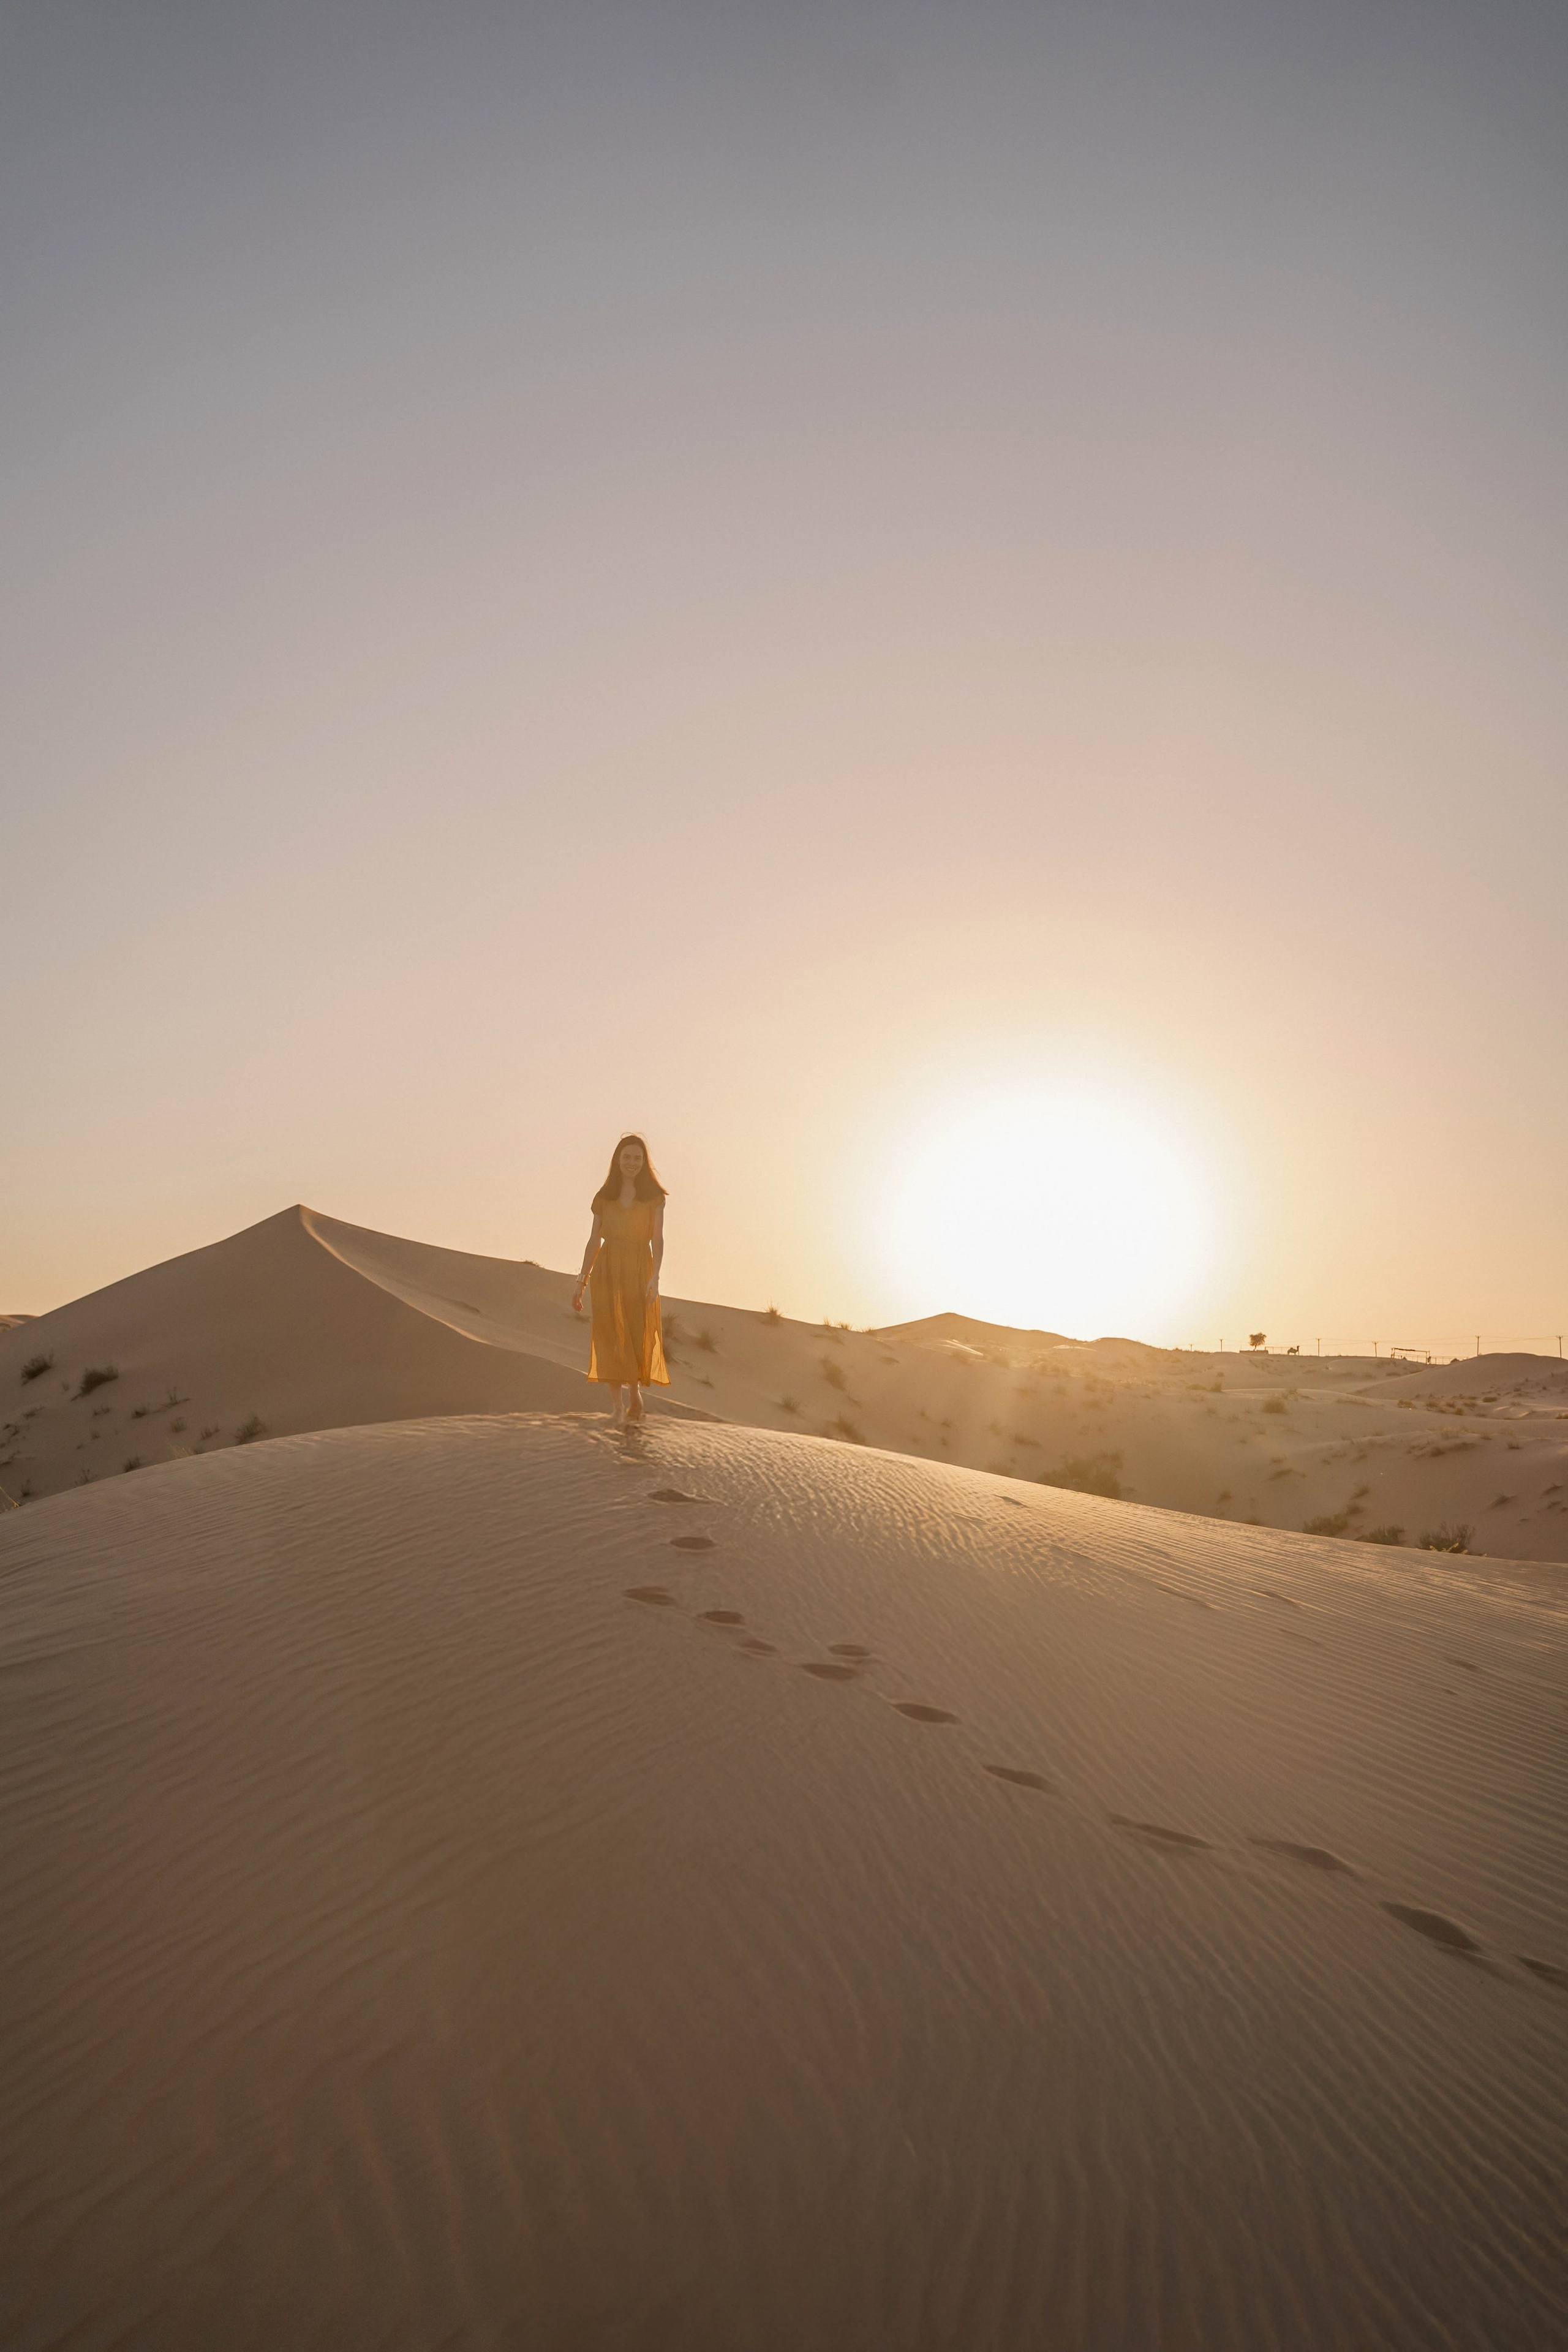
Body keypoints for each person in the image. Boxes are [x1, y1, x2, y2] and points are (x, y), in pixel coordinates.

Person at [573, 1134, 669, 1424]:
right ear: (617, 1159)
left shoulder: (655, 1197)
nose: (632, 1163)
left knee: (636, 1330)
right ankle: (617, 1406)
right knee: (610, 1334)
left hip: (640, 1267)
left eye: (638, 1158)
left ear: (644, 1162)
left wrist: (656, 1276)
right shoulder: (604, 1196)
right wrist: (582, 1280)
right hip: (607, 1270)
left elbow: (658, 1239)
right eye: (627, 1157)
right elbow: (594, 1240)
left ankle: (635, 1393)